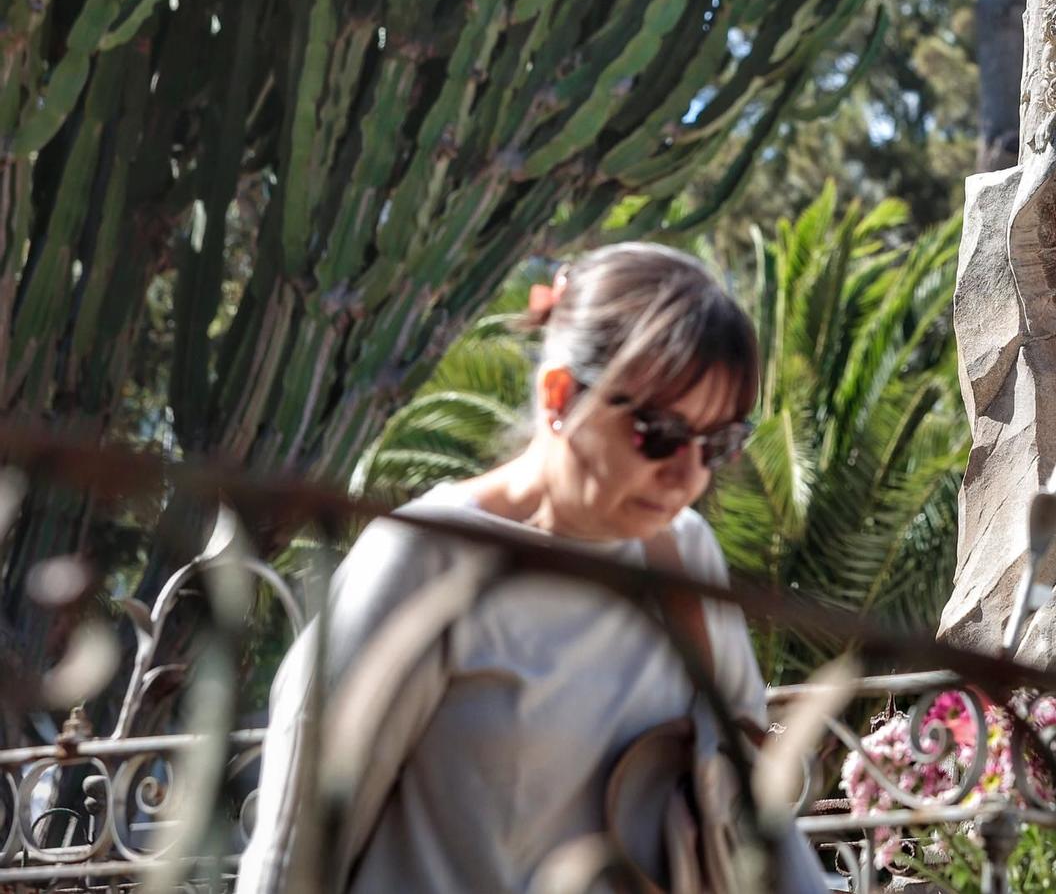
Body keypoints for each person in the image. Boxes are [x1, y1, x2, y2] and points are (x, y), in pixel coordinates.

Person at [238, 244, 822, 893]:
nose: (689, 473)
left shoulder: (684, 555)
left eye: (718, 443)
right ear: (561, 393)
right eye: (658, 432)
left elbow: (747, 801)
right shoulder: (423, 557)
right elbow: (296, 845)